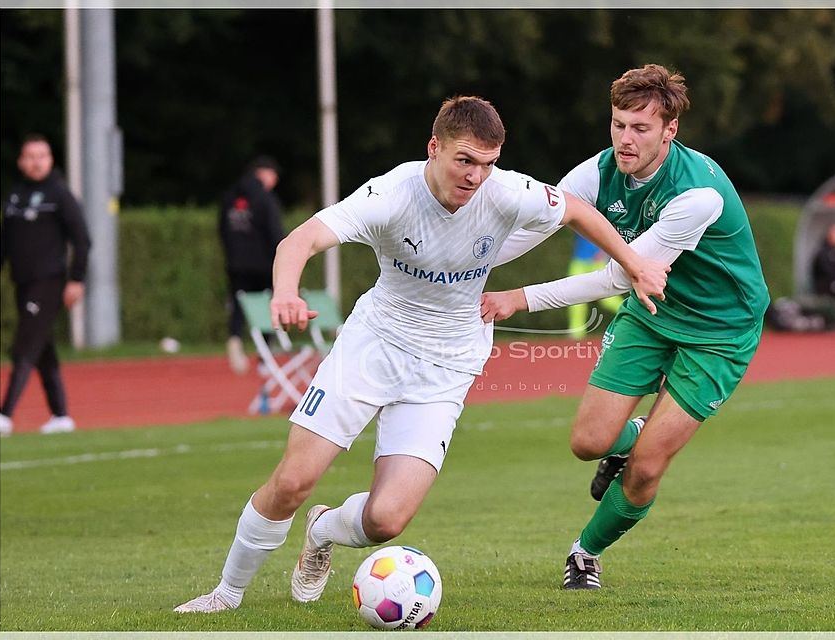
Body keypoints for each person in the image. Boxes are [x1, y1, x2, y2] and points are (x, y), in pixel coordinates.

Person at [174, 95, 670, 613]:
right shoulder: (390, 195)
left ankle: (323, 529)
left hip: (447, 363)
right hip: (374, 346)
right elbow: (299, 241)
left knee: (386, 520)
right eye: (465, 160)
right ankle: (226, 594)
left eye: (488, 164)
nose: (476, 176)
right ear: (434, 147)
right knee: (293, 481)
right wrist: (285, 293)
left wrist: (635, 265)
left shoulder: (506, 191)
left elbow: (576, 210)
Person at [480, 64, 770, 589]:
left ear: (670, 130)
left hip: (720, 330)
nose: (625, 139)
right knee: (587, 442)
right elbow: (538, 225)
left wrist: (518, 298)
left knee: (647, 468)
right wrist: (468, 262)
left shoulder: (697, 195)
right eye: (618, 124)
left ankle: (584, 553)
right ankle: (631, 434)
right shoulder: (597, 172)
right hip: (655, 311)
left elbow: (619, 275)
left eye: (640, 127)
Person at [0, 133, 91, 436]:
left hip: (49, 281)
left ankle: (4, 415)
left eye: (42, 156)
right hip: (22, 282)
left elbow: (82, 240)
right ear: (21, 161)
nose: (37, 162)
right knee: (43, 349)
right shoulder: (15, 195)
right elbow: (4, 242)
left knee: (24, 346)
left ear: (50, 160)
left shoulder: (59, 194)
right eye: (31, 156)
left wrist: (76, 279)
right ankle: (61, 416)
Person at [218, 156, 286, 374]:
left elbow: (222, 229)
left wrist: (231, 255)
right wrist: (282, 259)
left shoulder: (229, 197)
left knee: (238, 304)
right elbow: (275, 233)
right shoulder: (266, 199)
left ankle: (235, 338)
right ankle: (264, 355)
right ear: (263, 173)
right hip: (264, 264)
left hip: (236, 263)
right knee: (269, 306)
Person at [567, 234, 624, 338]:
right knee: (575, 298)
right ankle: (576, 334)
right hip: (579, 261)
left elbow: (610, 235)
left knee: (607, 299)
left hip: (597, 262)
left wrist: (603, 253)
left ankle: (633, 316)